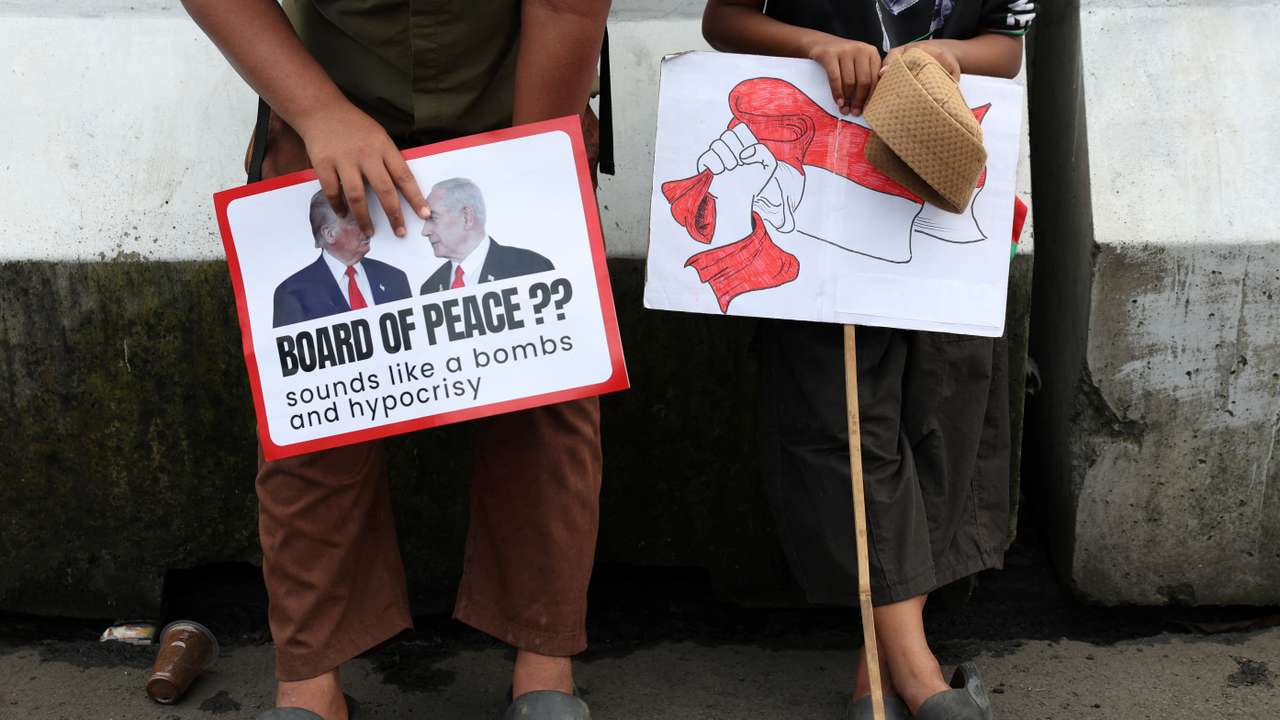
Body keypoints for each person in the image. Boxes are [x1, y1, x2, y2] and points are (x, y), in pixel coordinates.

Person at [180, 1, 610, 719]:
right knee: (314, 396)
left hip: (517, 98)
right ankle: (309, 683)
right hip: (328, 95)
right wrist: (317, 110)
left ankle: (545, 665)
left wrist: (529, 163)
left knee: (547, 378)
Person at [701, 1, 1036, 719]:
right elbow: (722, 19)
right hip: (821, 191)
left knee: (945, 405)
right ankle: (915, 678)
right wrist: (814, 43)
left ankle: (876, 674)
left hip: (944, 181)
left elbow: (1006, 49)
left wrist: (950, 57)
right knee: (842, 414)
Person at [273, 189, 412, 327]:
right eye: (355, 222)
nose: (369, 228)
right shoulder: (292, 294)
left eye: (367, 218)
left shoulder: (395, 278)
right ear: (329, 234)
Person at [419, 177, 554, 295]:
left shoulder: (530, 268)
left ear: (467, 217)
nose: (424, 232)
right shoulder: (429, 288)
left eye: (433, 218)